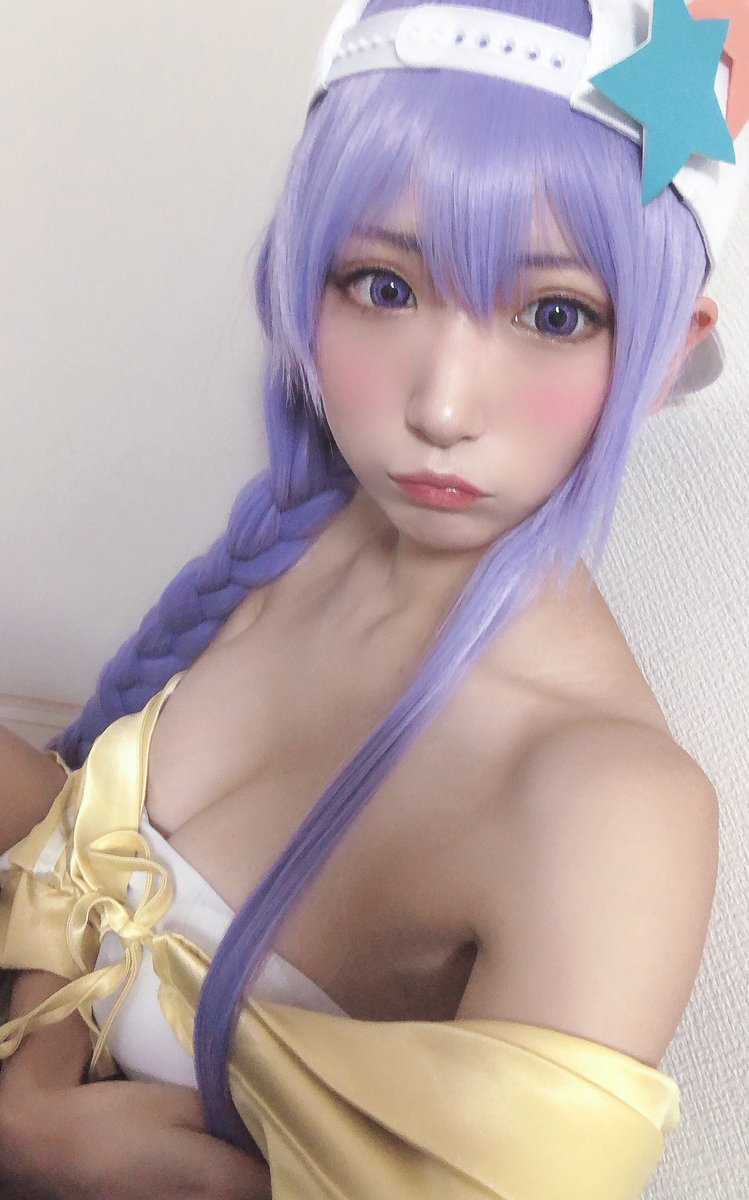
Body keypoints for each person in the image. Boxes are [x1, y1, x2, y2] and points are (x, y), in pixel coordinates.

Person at [1, 0, 747, 1196]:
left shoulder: (607, 811)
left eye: (554, 313)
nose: (440, 407)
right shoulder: (318, 542)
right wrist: (32, 1108)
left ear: (665, 353)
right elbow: (90, 868)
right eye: (382, 286)